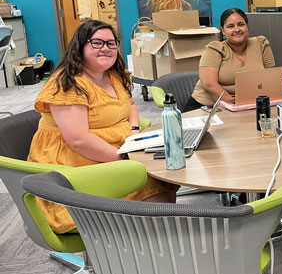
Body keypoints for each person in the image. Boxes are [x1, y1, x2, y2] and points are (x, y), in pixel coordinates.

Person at [28, 20, 178, 234]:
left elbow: (131, 105)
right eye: (97, 43)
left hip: (120, 148)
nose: (106, 48)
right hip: (74, 164)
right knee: (150, 182)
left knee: (164, 173)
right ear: (80, 47)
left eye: (111, 43)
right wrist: (125, 161)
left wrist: (133, 132)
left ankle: (153, 242)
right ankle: (134, 248)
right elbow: (79, 140)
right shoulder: (68, 84)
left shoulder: (115, 74)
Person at [185, 7, 275, 111]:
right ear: (223, 31)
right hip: (207, 107)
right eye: (230, 26)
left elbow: (271, 80)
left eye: (241, 24)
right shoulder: (215, 49)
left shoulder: (261, 44)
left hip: (248, 105)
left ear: (247, 26)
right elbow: (209, 84)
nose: (237, 29)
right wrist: (236, 105)